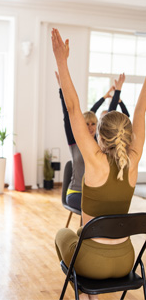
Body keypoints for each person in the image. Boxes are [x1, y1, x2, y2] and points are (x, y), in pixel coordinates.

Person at [51, 28, 146, 300]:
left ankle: (86, 291)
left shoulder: (94, 161)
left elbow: (72, 107)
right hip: (126, 260)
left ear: (99, 137)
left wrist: (61, 61)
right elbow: (140, 110)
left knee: (62, 233)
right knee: (82, 232)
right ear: (127, 136)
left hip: (91, 262)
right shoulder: (135, 158)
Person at [56, 71, 128, 211]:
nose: (89, 127)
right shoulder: (74, 141)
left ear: (97, 126)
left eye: (93, 124)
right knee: (93, 207)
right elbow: (67, 114)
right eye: (86, 124)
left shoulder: (100, 144)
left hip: (96, 193)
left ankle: (97, 232)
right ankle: (87, 232)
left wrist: (117, 91)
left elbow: (110, 116)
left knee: (111, 207)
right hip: (76, 193)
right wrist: (62, 89)